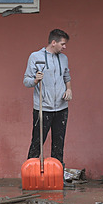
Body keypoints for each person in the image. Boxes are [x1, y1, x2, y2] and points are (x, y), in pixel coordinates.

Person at [23, 29, 72, 167]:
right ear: (53, 42)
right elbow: (26, 81)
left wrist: (69, 89)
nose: (64, 47)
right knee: (37, 142)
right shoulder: (35, 57)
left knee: (59, 143)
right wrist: (35, 80)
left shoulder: (64, 58)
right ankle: (29, 173)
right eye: (62, 44)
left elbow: (66, 76)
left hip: (62, 108)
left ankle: (57, 175)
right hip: (42, 108)